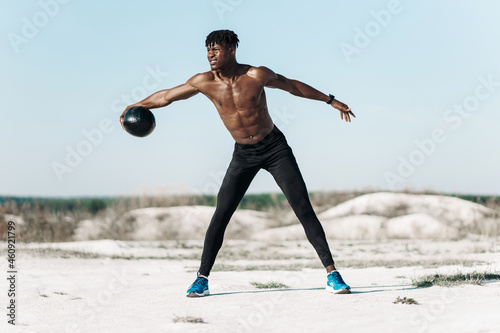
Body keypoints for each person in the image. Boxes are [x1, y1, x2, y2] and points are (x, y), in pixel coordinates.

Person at [120, 30, 355, 297]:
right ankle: (201, 278)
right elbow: (166, 96)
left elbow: (292, 86)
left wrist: (330, 99)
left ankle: (332, 274)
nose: (210, 55)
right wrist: (134, 106)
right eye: (208, 50)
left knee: (303, 208)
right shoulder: (203, 82)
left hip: (275, 148)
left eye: (216, 50)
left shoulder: (256, 75)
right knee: (221, 213)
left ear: (231, 50)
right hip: (244, 154)